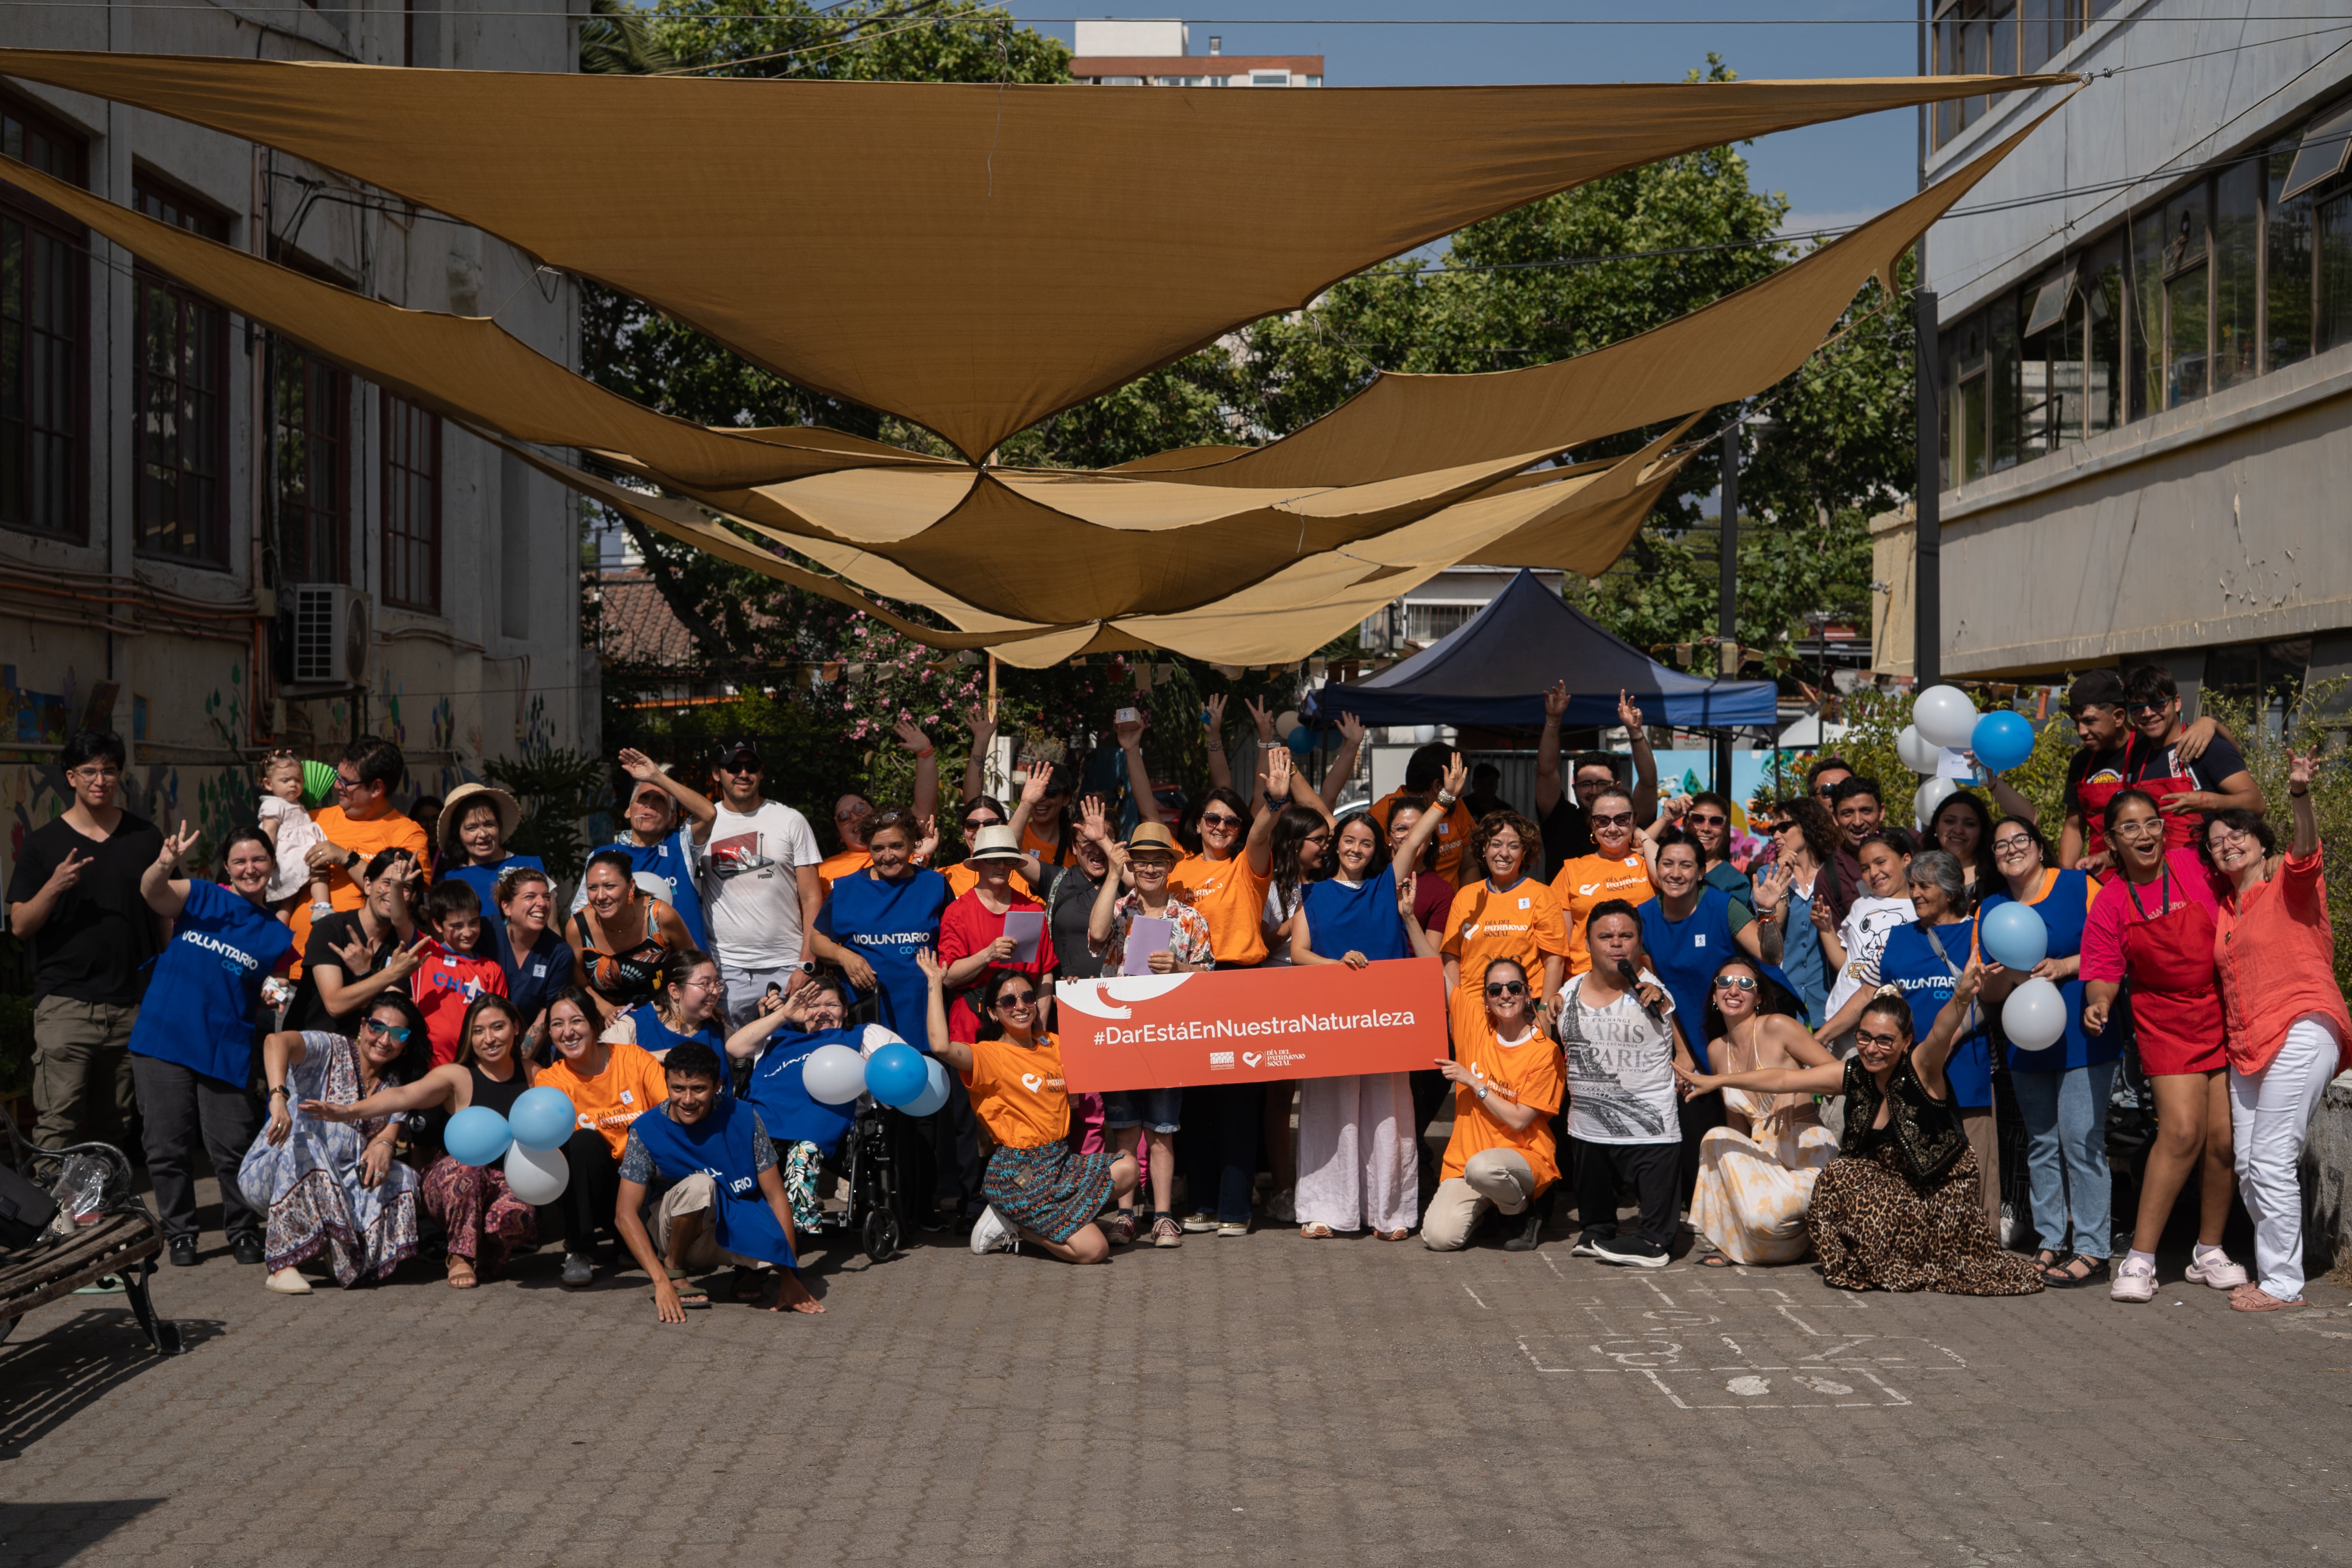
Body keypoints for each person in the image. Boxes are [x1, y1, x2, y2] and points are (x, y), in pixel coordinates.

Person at [1680, 974, 2044, 1296]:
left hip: (1940, 1193)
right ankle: (1874, 1256)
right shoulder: (1856, 1074)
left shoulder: (1922, 1067)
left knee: (1845, 1176)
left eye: (1885, 1040)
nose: (1873, 1048)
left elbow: (1941, 1032)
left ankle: (1906, 1256)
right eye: (1865, 1037)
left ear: (1906, 1041)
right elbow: (1784, 1078)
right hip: (1896, 1189)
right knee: (1837, 1177)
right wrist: (1718, 1080)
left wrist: (1962, 998)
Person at [2082, 788, 2244, 1304]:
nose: (2143, 834)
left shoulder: (2193, 865)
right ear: (2110, 840)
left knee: (2222, 1140)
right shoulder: (2108, 900)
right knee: (2179, 1133)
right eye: (2128, 828)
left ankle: (2208, 1251)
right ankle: (2139, 1259)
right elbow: (2103, 971)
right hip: (2163, 1020)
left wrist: (2203, 799)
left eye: (2149, 823)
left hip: (2221, 1010)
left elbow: (2249, 818)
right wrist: (2099, 1002)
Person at [2207, 756, 2350, 1312]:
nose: (2226, 844)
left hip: (2301, 1024)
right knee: (2248, 1163)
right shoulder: (2223, 908)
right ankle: (2275, 1269)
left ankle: (2282, 1284)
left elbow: (2307, 848)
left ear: (2261, 842)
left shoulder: (2288, 884)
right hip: (2246, 1047)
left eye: (2237, 833)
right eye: (2216, 841)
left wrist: (2299, 797)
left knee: (2269, 1157)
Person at [127, 823, 293, 1267]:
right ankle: (180, 1233)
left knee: (233, 1147)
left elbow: (278, 994)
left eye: (258, 859)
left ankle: (244, 1230)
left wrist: (276, 993)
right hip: (164, 1038)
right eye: (239, 860)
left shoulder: (278, 933)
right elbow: (152, 892)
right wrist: (165, 862)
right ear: (227, 867)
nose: (249, 867)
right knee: (165, 1146)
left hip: (226, 1046)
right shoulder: (202, 895)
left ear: (272, 865)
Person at [300, 993, 539, 1288]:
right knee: (471, 1171)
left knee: (517, 1217)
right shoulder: (457, 1076)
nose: (488, 1039)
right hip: (455, 1180)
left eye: (497, 1028)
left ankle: (489, 1251)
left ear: (516, 1028)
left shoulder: (534, 1074)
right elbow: (402, 1096)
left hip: (507, 1179)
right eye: (478, 1031)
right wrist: (347, 1111)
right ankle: (459, 1256)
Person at [1819, 850, 2001, 1231]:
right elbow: (1870, 995)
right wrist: (1823, 1036)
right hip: (1908, 1077)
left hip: (1965, 1071)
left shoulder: (1980, 933)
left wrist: (1951, 1035)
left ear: (1951, 892)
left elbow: (1993, 998)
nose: (1915, 893)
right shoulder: (1899, 938)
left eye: (1924, 886)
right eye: (1913, 884)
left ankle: (1978, 1245)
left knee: (1975, 1166)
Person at [5, 729, 164, 1156]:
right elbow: (20, 924)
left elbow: (168, 916)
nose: (101, 779)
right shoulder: (43, 844)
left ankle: (101, 1212)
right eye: (90, 770)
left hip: (132, 1004)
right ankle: (50, 1223)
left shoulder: (146, 838)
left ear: (120, 776)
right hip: (65, 1005)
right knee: (58, 1122)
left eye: (110, 770)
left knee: (116, 1127)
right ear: (71, 777)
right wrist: (54, 886)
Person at [917, 953, 1136, 1262]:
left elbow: (1099, 1043)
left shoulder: (1052, 1043)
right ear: (993, 1012)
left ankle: (1044, 1217)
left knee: (1128, 1167)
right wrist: (934, 984)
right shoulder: (989, 1055)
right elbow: (941, 1046)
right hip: (1020, 1171)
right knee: (1095, 1250)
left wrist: (1087, 996)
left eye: (1027, 997)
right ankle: (1019, 1224)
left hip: (1059, 1162)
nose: (1020, 1006)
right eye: (1008, 1001)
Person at [1291, 806, 1447, 1241]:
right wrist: (1334, 964)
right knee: (1328, 1109)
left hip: (1387, 1021)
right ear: (1335, 844)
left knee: (1388, 1113)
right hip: (1330, 1019)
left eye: (1367, 842)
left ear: (1378, 849)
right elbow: (1300, 951)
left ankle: (1389, 1213)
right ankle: (1323, 1208)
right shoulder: (1314, 894)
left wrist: (1445, 801)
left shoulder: (1386, 888)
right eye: (1349, 840)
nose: (1356, 848)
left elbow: (1414, 840)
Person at [1152, 742, 1287, 1238]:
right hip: (1186, 983)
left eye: (1231, 822)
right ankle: (1202, 1204)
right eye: (1213, 820)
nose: (1221, 829)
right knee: (1198, 1102)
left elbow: (1261, 835)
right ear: (1197, 822)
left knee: (1238, 1100)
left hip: (1238, 984)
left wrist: (1272, 805)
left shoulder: (1246, 866)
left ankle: (1235, 1208)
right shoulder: (1178, 872)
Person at [1973, 816, 2111, 1286]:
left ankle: (2092, 1246)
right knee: (2041, 1143)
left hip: (2083, 1028)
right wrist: (1999, 979)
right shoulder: (1989, 907)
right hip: (2024, 1035)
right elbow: (1987, 990)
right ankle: (2051, 1238)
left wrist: (2066, 965)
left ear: (2038, 845)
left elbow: (2116, 945)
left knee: (2080, 1140)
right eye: (1999, 846)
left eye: (2019, 840)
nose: (2010, 850)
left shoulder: (2077, 885)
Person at [615, 1041, 823, 1319]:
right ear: (667, 1084)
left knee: (778, 1244)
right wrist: (660, 1282)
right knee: (701, 1185)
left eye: (698, 1089)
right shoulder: (646, 1129)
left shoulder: (745, 1116)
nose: (687, 1100)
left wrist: (790, 1275)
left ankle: (750, 1270)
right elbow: (624, 1214)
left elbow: (775, 1196)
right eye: (678, 1088)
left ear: (717, 1086)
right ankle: (675, 1268)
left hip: (731, 1220)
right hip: (674, 1230)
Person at [243, 993, 430, 1293]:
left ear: (407, 1042)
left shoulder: (397, 1082)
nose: (385, 1039)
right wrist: (279, 1095)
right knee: (307, 1144)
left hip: (341, 1186)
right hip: (276, 1172)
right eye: (377, 1027)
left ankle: (347, 1259)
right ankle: (282, 1266)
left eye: (398, 1034)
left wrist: (384, 1146)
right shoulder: (329, 1047)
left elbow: (391, 1130)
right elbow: (275, 1043)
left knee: (403, 1176)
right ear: (363, 1025)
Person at [1088, 818, 1216, 1247]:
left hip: (1168, 1035)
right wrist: (1111, 873)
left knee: (1162, 1129)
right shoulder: (1119, 907)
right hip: (1122, 1031)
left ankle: (1162, 1217)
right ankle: (1126, 1215)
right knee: (1123, 1129)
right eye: (1141, 861)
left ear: (1170, 866)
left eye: (1158, 861)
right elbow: (1097, 934)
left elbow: (1211, 979)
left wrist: (1179, 968)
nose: (1149, 869)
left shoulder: (1192, 919)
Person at [1555, 904, 1693, 1266]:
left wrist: (1657, 997)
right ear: (1587, 944)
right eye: (1606, 936)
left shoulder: (1650, 990)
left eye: (1626, 936)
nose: (1616, 944)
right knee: (1594, 1201)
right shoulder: (1568, 990)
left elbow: (1665, 1008)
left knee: (1657, 1213)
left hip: (1649, 1130)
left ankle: (1654, 1243)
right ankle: (1598, 1229)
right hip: (1587, 1127)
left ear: (1639, 943)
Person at [1637, 827, 1763, 1197]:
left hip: (1736, 1039)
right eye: (1668, 864)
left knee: (1749, 1135)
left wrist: (1769, 910)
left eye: (1686, 865)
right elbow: (1656, 992)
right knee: (1699, 1147)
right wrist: (1684, 1049)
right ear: (1656, 869)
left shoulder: (1723, 905)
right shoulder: (1643, 917)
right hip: (1686, 1039)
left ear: (1702, 871)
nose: (1676, 873)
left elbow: (1770, 955)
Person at [1689, 958, 1838, 1266]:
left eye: (1746, 984)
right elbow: (1737, 1130)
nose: (1734, 989)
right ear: (1714, 996)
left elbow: (1839, 1075)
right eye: (1725, 982)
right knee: (1718, 1138)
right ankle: (1743, 1241)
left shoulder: (1778, 1026)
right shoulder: (1717, 1049)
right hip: (1766, 1161)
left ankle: (1803, 1230)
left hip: (1805, 1157)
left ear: (1758, 998)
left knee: (1763, 1219)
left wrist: (1795, 1086)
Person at [732, 974, 902, 1238]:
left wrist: (875, 1069)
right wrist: (784, 1016)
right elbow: (734, 1047)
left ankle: (798, 1227)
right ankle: (744, 1223)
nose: (822, 1012)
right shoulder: (777, 1038)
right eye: (813, 1005)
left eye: (832, 1005)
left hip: (818, 1123)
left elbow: (900, 1075)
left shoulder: (864, 1035)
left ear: (846, 1011)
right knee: (742, 1147)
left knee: (803, 1152)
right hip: (765, 1120)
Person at [533, 987, 671, 1287]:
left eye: (577, 1021)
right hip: (592, 1186)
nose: (567, 1032)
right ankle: (579, 1248)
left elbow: (667, 1114)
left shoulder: (634, 1059)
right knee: (582, 1142)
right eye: (557, 1024)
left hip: (643, 1179)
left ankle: (627, 1243)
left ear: (596, 1025)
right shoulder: (550, 1080)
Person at [1422, 957, 1562, 1251]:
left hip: (1520, 1159)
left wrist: (1474, 1082)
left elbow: (1519, 1120)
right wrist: (1409, 919)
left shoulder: (1545, 1052)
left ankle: (1522, 1210)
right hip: (1467, 1163)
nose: (1505, 995)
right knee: (1439, 1238)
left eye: (1513, 987)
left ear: (1527, 993)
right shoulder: (1475, 1023)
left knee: (1484, 1168)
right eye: (1495, 990)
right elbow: (1433, 967)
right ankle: (1490, 1209)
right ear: (1485, 999)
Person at [697, 736, 825, 1025]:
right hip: (726, 971)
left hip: (787, 966)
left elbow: (811, 898)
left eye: (751, 766)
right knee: (732, 1060)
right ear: (718, 774)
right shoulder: (703, 825)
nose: (743, 774)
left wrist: (806, 963)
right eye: (733, 767)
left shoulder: (791, 820)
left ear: (761, 771)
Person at [1438, 789, 1573, 1053]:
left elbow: (1554, 959)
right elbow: (1451, 957)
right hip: (1475, 1010)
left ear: (1526, 852)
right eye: (1496, 844)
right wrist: (1455, 1011)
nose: (1504, 853)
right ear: (1484, 849)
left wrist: (1544, 1012)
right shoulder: (1466, 896)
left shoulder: (1541, 895)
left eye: (1513, 846)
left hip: (1524, 1010)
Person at [810, 805, 952, 1041]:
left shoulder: (935, 885)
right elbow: (817, 940)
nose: (887, 857)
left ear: (912, 842)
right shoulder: (846, 889)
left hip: (925, 1020)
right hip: (864, 1020)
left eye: (896, 846)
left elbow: (954, 942)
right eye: (878, 849)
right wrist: (845, 957)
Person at [294, 735, 431, 962]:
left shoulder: (409, 834)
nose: (337, 785)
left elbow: (400, 897)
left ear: (376, 788)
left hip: (361, 967)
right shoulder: (313, 819)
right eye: (338, 776)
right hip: (296, 965)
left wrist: (346, 857)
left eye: (346, 781)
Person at [570, 748, 717, 949]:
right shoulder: (603, 856)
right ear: (629, 811)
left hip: (687, 967)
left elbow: (708, 814)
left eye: (660, 800)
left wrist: (656, 776)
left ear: (673, 818)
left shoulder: (682, 844)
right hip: (632, 969)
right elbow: (580, 916)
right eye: (643, 798)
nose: (650, 805)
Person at [288, 847, 430, 1036]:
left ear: (413, 897)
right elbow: (335, 1005)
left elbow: (389, 1010)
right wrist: (392, 973)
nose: (393, 892)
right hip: (311, 1045)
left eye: (404, 887)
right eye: (388, 883)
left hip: (366, 1051)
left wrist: (365, 975)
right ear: (368, 884)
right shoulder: (330, 928)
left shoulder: (402, 942)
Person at [1813, 828, 1918, 1057]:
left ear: (1906, 860)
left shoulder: (1919, 911)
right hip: (1838, 1019)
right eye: (1865, 868)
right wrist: (1825, 929)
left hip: (1878, 1028)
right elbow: (1848, 964)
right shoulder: (1861, 905)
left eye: (1881, 862)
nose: (1874, 873)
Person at [1534, 685, 1659, 875]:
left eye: (1602, 784)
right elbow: (1546, 771)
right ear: (1575, 788)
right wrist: (1553, 719)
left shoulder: (1628, 822)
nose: (1593, 791)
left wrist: (1635, 732)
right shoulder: (1561, 819)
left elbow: (1648, 783)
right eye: (1586, 784)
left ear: (1617, 786)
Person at [567, 847, 696, 1024]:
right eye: (593, 888)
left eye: (610, 886)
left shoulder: (660, 916)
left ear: (631, 886)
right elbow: (578, 984)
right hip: (606, 1024)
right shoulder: (578, 928)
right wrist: (607, 1011)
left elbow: (693, 965)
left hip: (665, 1018)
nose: (601, 896)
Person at [434, 781, 544, 971]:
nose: (483, 834)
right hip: (473, 981)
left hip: (532, 976)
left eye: (489, 824)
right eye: (471, 828)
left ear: (499, 826)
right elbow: (441, 947)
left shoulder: (531, 866)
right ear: (458, 834)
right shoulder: (448, 881)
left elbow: (551, 930)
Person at [1549, 784, 1655, 978]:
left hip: (1641, 980)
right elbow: (1559, 948)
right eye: (1603, 821)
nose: (1612, 829)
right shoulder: (1571, 870)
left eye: (1622, 820)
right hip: (1585, 979)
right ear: (1592, 824)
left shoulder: (1648, 865)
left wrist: (1645, 837)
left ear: (1634, 821)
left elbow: (1667, 877)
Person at [1751, 796, 1840, 1026]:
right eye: (1773, 830)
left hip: (1831, 1003)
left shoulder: (1834, 874)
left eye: (1784, 827)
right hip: (1783, 1002)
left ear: (1808, 825)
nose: (1776, 835)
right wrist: (1782, 881)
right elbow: (1772, 937)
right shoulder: (1766, 876)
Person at [822, 718, 941, 883]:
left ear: (874, 812)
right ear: (839, 835)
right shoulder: (823, 872)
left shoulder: (903, 847)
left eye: (859, 808)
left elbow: (924, 808)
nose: (855, 818)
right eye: (843, 817)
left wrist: (925, 754)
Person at [410, 879, 509, 1068]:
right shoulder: (426, 951)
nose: (468, 932)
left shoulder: (492, 969)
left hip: (476, 1069)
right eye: (457, 926)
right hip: (427, 1068)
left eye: (474, 922)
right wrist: (398, 886)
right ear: (438, 926)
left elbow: (501, 1020)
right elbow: (399, 920)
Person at [1366, 740, 1477, 885]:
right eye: (1459, 781)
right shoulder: (1380, 815)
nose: (1463, 791)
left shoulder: (1456, 805)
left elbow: (1469, 865)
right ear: (1438, 786)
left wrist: (1463, 905)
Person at [497, 866, 574, 1058]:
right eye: (531, 897)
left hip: (528, 1055)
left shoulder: (559, 953)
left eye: (546, 897)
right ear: (506, 907)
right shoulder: (486, 934)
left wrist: (516, 1064)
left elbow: (546, 1014)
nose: (542, 903)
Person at [255, 749, 333, 923]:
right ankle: (322, 906)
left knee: (288, 902)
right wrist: (266, 857)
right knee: (319, 872)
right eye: (286, 780)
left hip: (297, 857)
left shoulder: (297, 804)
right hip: (290, 857)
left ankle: (279, 929)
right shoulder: (273, 805)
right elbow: (268, 832)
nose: (293, 785)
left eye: (298, 780)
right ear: (269, 784)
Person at [628, 949, 729, 1059]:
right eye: (705, 983)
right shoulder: (633, 1026)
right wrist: (653, 1058)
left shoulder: (719, 1027)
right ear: (675, 991)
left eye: (717, 983)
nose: (715, 992)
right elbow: (612, 1065)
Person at [1819, 775, 1888, 928]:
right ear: (1835, 818)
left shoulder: (1910, 844)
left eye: (1866, 811)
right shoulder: (1830, 876)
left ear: (1881, 812)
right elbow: (1836, 943)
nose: (1858, 822)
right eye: (1847, 813)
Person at [1926, 789, 2001, 907]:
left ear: (1982, 831)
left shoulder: (1997, 879)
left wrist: (1994, 784)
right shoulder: (1915, 874)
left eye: (1969, 824)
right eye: (1950, 822)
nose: (1958, 830)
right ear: (1936, 826)